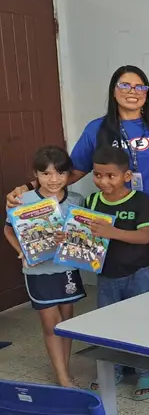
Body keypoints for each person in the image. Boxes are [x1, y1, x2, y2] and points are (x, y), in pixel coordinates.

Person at [5, 65, 149, 289]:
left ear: (147, 93)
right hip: (115, 210)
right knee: (120, 273)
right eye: (125, 85)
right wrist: (28, 187)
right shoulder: (97, 128)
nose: (133, 91)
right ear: (113, 90)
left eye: (140, 86)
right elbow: (73, 170)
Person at [3, 146, 85, 388]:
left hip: (67, 270)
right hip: (38, 272)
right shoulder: (22, 200)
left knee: (67, 324)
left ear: (68, 174)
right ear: (35, 175)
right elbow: (8, 229)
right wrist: (22, 252)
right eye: (46, 174)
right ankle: (62, 377)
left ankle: (65, 370)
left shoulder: (76, 200)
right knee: (51, 324)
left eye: (60, 173)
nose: (53, 180)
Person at [82, 146, 149, 400]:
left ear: (126, 176)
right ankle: (112, 369)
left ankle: (146, 371)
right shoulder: (91, 201)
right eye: (97, 175)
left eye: (110, 176)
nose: (103, 181)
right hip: (106, 275)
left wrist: (110, 232)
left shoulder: (140, 200)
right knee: (108, 324)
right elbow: (84, 236)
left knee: (142, 322)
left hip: (139, 273)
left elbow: (144, 236)